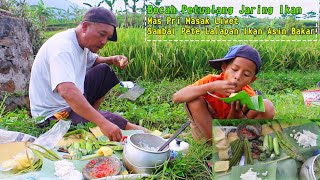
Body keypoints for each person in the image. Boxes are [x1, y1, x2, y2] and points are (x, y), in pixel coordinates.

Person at [29, 7, 146, 142]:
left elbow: (94, 60)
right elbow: (67, 92)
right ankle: (149, 134)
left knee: (104, 70)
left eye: (108, 38)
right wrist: (103, 123)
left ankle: (89, 115)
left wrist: (112, 59)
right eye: (101, 34)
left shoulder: (80, 42)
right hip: (53, 116)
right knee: (113, 121)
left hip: (68, 103)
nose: (104, 42)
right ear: (85, 26)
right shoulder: (62, 48)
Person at [173, 45, 275, 144]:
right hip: (206, 136)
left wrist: (236, 116)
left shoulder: (247, 95)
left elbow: (231, 125)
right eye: (234, 69)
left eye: (246, 74)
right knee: (194, 99)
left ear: (252, 79)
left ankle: (240, 144)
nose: (237, 77)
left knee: (267, 106)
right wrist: (211, 87)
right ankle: (218, 145)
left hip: (232, 133)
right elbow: (176, 97)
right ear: (224, 67)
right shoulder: (211, 81)